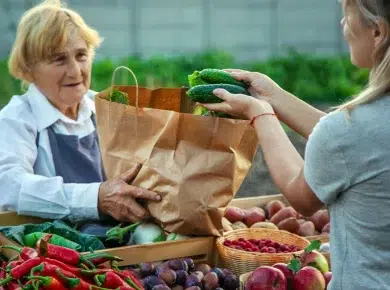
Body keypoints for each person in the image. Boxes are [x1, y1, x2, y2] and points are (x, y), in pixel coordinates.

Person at [201, 0, 390, 289]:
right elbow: (352, 147)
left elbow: (303, 198)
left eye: (346, 14)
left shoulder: (352, 130)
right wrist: (275, 96)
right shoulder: (360, 129)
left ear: (378, 31)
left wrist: (259, 114)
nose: (342, 25)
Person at [0, 0, 161, 223]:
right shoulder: (16, 119)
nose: (75, 71)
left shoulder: (104, 106)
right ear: (28, 68)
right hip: (53, 249)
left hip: (119, 241)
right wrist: (96, 198)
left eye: (81, 55)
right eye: (59, 59)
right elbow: (8, 186)